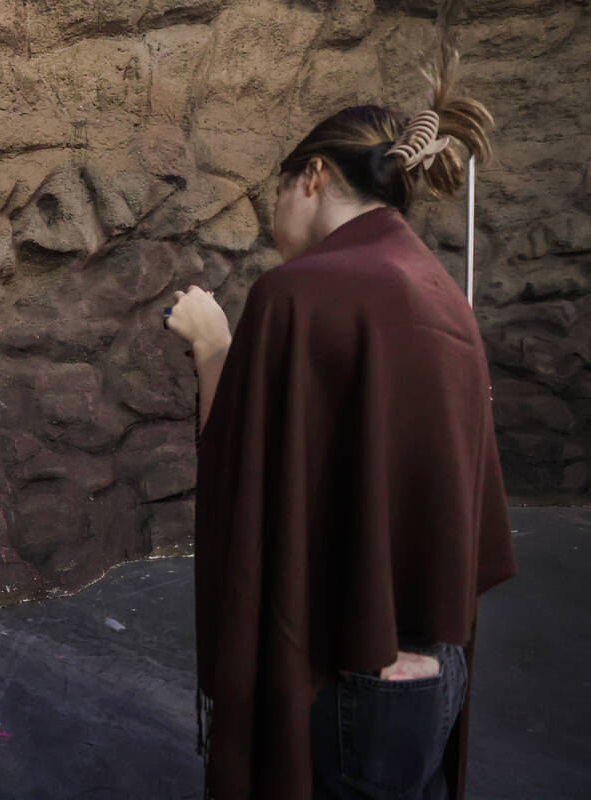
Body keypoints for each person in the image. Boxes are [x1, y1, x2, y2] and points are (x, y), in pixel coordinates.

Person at [165, 52, 516, 800]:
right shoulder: (439, 292)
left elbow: (244, 487)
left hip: (350, 682)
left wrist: (214, 348)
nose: (274, 222)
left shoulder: (298, 294)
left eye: (277, 195)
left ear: (313, 176)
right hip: (437, 677)